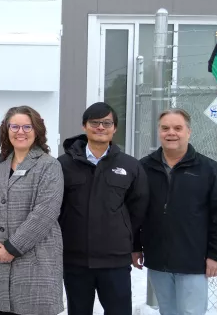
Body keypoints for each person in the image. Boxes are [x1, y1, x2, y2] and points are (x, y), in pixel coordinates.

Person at [135, 108, 217, 315]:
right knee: (168, 311)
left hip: (194, 261)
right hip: (158, 260)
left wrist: (216, 255)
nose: (171, 132)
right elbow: (134, 212)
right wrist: (135, 246)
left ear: (188, 132)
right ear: (159, 131)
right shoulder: (143, 168)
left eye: (177, 128)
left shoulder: (208, 169)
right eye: (165, 128)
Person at [57, 102, 149, 315]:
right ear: (84, 126)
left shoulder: (130, 166)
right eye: (95, 122)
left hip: (115, 259)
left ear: (114, 128)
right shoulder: (62, 165)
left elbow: (138, 209)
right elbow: (56, 209)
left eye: (106, 123)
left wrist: (129, 239)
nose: (100, 127)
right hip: (75, 259)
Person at [0, 106, 64, 315]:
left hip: (37, 264)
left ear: (37, 131)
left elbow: (45, 213)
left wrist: (12, 248)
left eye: (27, 126)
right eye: (14, 126)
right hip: (0, 262)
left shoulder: (49, 166)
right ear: (6, 130)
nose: (20, 131)